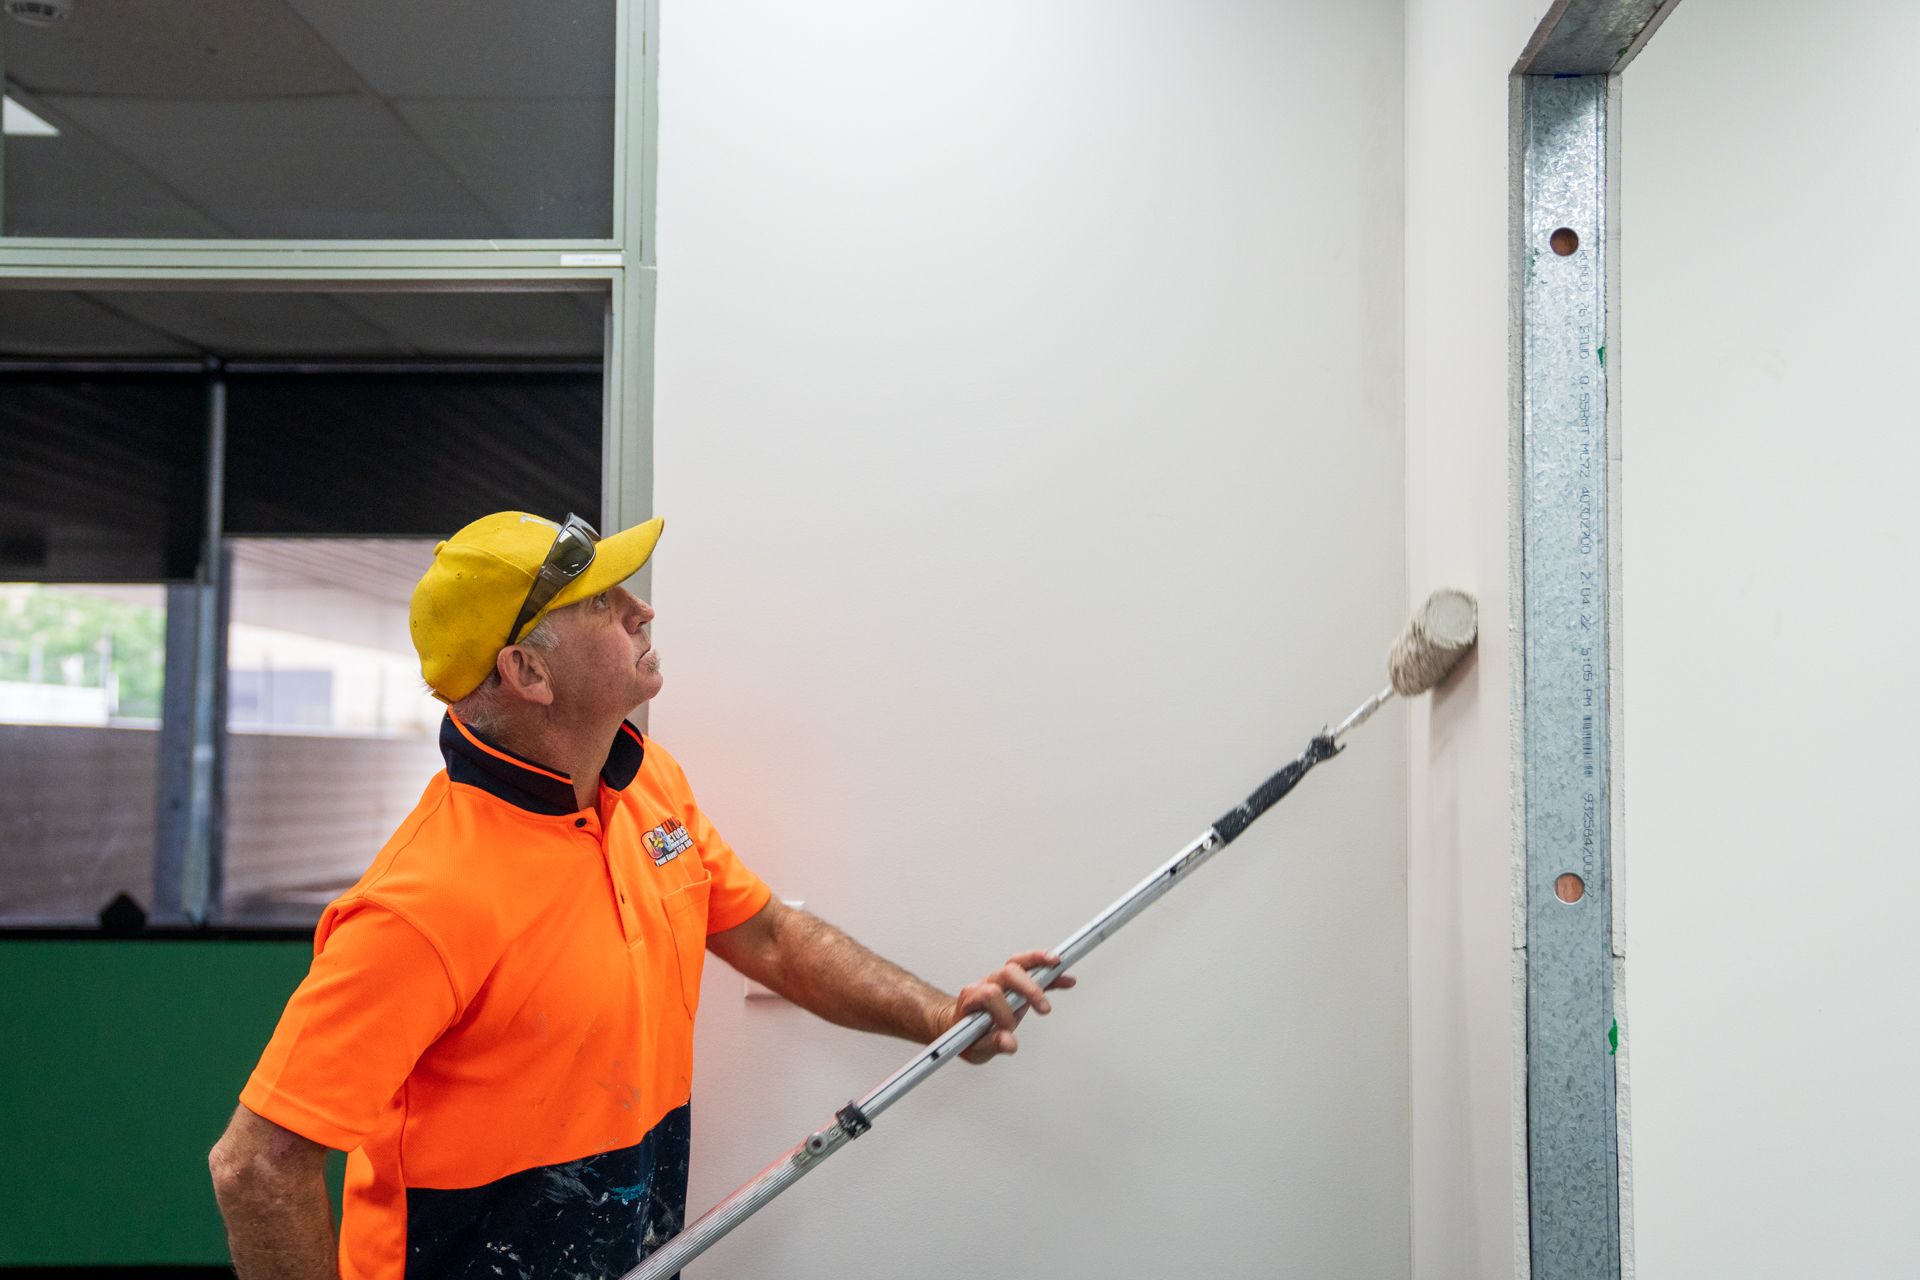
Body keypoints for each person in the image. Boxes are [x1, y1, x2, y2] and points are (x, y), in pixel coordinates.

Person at [208, 510, 1073, 1279]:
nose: (641, 610)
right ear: (527, 671)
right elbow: (256, 1167)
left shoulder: (647, 784)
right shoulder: (422, 903)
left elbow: (770, 938)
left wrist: (941, 1016)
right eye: (599, 602)